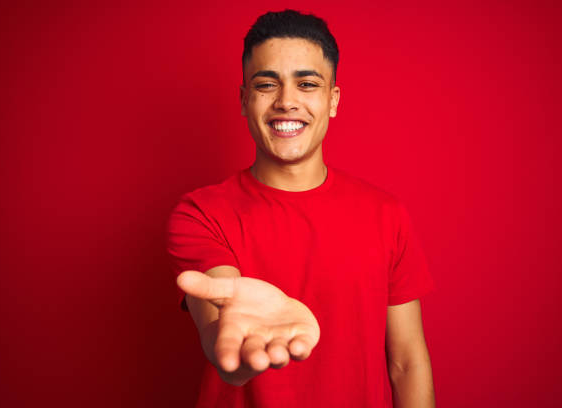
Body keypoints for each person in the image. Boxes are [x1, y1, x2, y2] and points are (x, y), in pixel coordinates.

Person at [167, 9, 436, 407]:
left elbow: (407, 363)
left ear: (333, 100)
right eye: (266, 84)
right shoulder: (200, 214)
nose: (286, 102)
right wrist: (236, 348)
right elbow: (220, 330)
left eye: (307, 84)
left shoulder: (386, 214)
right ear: (244, 101)